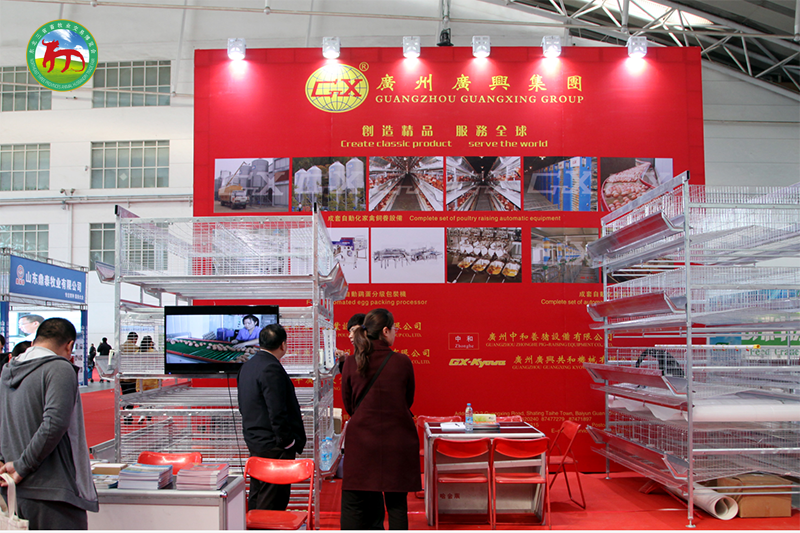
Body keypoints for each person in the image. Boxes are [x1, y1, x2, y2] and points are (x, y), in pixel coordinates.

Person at [0, 317, 98, 529]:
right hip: (52, 493)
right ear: (69, 345)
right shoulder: (59, 368)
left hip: (14, 490)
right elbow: (54, 423)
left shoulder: (8, 370)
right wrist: (23, 466)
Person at [340, 308, 420, 530]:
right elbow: (408, 400)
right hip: (397, 442)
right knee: (397, 506)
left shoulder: (351, 362)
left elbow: (349, 405)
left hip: (361, 443)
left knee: (354, 503)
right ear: (385, 331)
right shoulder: (402, 362)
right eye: (394, 329)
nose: (395, 333)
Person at [237, 324, 306, 511]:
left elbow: (243, 406)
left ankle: (253, 524)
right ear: (283, 344)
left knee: (257, 493)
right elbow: (277, 411)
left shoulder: (247, 367)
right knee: (272, 500)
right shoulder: (271, 368)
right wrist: (287, 442)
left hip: (255, 440)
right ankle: (266, 525)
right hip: (274, 446)